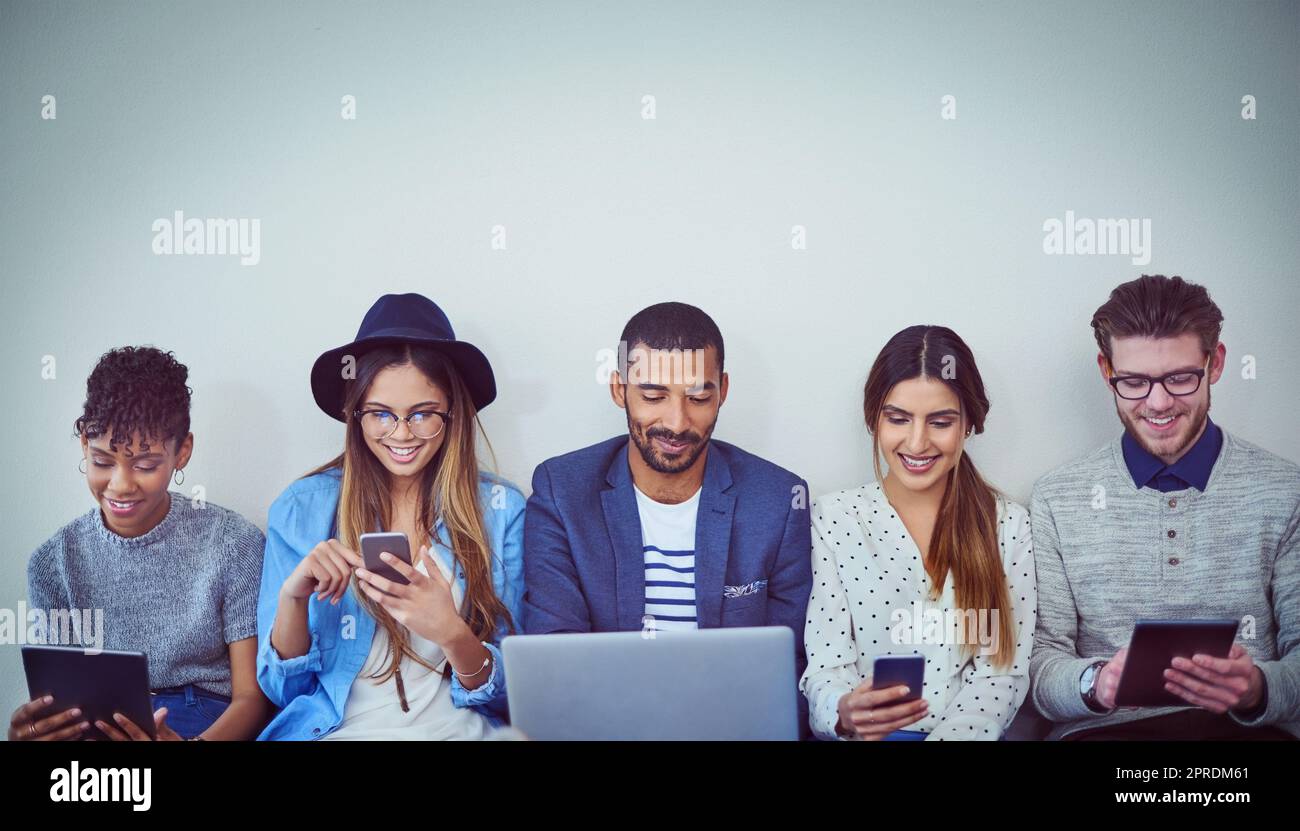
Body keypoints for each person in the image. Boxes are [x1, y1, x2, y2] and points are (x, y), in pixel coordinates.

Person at [521, 301, 813, 734]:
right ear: (619, 389)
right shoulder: (561, 491)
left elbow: (792, 673)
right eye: (653, 396)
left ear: (723, 391)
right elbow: (555, 659)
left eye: (698, 398)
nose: (677, 423)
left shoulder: (777, 501)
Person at [1030, 274, 1299, 740]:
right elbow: (1038, 663)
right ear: (1106, 371)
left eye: (1178, 378)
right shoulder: (1057, 497)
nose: (1157, 403)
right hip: (1104, 735)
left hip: (1246, 734)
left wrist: (1257, 686)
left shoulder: (1284, 490)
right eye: (1133, 381)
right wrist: (1096, 683)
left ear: (1214, 363)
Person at [256, 293, 525, 740]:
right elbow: (285, 690)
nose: (402, 434)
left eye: (422, 414)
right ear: (355, 414)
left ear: (452, 413)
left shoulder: (501, 511)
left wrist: (451, 632)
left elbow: (513, 694)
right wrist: (292, 600)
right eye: (381, 414)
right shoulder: (302, 507)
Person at [10, 346, 269, 742]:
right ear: (84, 443)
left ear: (181, 452)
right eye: (101, 461)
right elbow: (59, 699)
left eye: (145, 465)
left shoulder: (234, 543)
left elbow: (252, 698)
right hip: (99, 728)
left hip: (204, 720)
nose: (120, 485)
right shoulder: (53, 562)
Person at [801, 326, 1035, 740]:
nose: (917, 441)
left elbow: (1001, 676)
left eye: (940, 422)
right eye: (898, 419)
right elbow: (826, 665)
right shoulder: (834, 518)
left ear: (968, 425)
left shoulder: (1008, 526)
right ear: (874, 419)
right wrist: (842, 713)